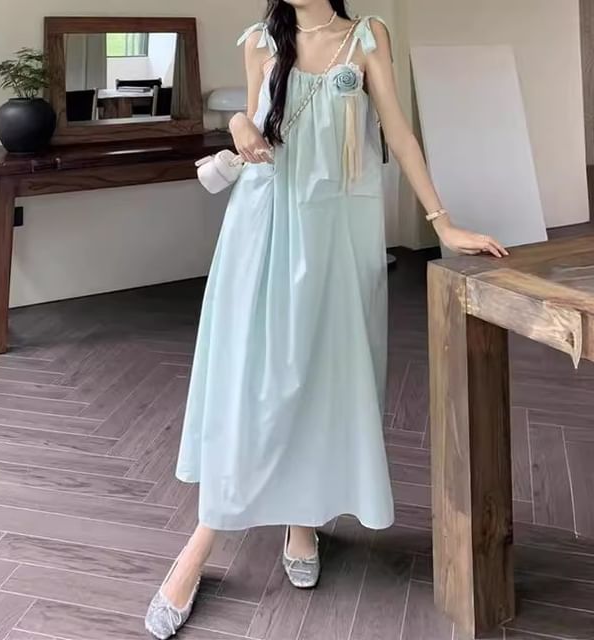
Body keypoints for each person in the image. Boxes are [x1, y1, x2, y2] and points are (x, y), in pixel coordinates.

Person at [145, 1, 507, 637]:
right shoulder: (259, 40)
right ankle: (201, 542)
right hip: (262, 229)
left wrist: (442, 223)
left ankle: (303, 518)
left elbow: (397, 131)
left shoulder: (366, 37)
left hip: (338, 232)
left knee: (322, 373)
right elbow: (254, 123)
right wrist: (238, 121)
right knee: (251, 381)